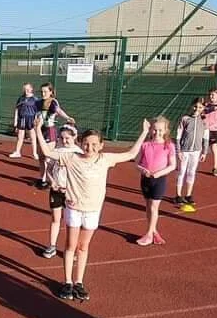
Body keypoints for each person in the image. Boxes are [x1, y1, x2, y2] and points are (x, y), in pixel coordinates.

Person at [39, 119, 150, 301]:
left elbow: (131, 153)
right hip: (74, 209)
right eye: (86, 143)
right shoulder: (71, 158)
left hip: (92, 211)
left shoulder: (105, 159)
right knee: (70, 245)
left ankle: (79, 282)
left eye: (94, 144)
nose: (89, 147)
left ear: (101, 145)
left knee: (83, 247)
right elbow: (46, 152)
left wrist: (144, 132)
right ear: (80, 143)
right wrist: (37, 129)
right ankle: (67, 282)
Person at [36, 124, 82, 258]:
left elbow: (80, 175)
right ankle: (52, 246)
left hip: (71, 193)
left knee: (71, 222)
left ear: (74, 137)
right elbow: (49, 169)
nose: (64, 141)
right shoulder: (56, 151)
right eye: (62, 138)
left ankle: (72, 248)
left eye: (67, 138)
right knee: (55, 219)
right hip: (56, 191)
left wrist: (69, 187)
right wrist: (52, 182)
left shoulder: (78, 153)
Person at [135, 116, 177, 246]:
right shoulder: (145, 145)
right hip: (145, 179)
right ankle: (153, 231)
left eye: (160, 130)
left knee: (154, 207)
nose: (157, 133)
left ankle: (148, 234)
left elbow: (172, 165)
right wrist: (143, 170)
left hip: (159, 180)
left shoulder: (169, 146)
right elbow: (136, 163)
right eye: (154, 129)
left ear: (165, 130)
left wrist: (159, 173)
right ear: (150, 130)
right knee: (148, 206)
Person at [34, 83, 76, 188]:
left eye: (45, 91)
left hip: (49, 131)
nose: (43, 93)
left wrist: (67, 117)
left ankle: (51, 179)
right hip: (40, 130)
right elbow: (36, 115)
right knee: (41, 157)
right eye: (42, 91)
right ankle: (42, 179)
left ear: (51, 92)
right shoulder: (38, 102)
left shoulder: (53, 102)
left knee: (48, 157)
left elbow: (58, 110)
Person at [175, 98, 210, 211]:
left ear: (203, 108)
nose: (197, 109)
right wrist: (178, 150)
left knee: (191, 172)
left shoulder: (204, 121)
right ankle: (178, 195)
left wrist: (204, 152)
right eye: (195, 106)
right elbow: (178, 136)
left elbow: (206, 137)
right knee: (181, 172)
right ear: (192, 106)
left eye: (200, 107)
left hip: (196, 151)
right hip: (184, 150)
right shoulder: (185, 118)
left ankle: (188, 195)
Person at [10, 82, 40, 159]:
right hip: (22, 119)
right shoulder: (21, 98)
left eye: (28, 89)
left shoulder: (35, 99)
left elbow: (38, 112)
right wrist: (15, 121)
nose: (26, 91)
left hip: (31, 119)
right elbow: (17, 109)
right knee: (20, 136)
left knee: (33, 136)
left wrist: (36, 120)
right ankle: (17, 152)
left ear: (31, 89)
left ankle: (34, 153)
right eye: (25, 89)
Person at [203, 86, 217, 176]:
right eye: (210, 94)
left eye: (213, 94)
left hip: (213, 131)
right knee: (199, 148)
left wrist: (211, 126)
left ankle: (215, 167)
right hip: (203, 130)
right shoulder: (205, 104)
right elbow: (202, 114)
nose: (211, 96)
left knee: (214, 148)